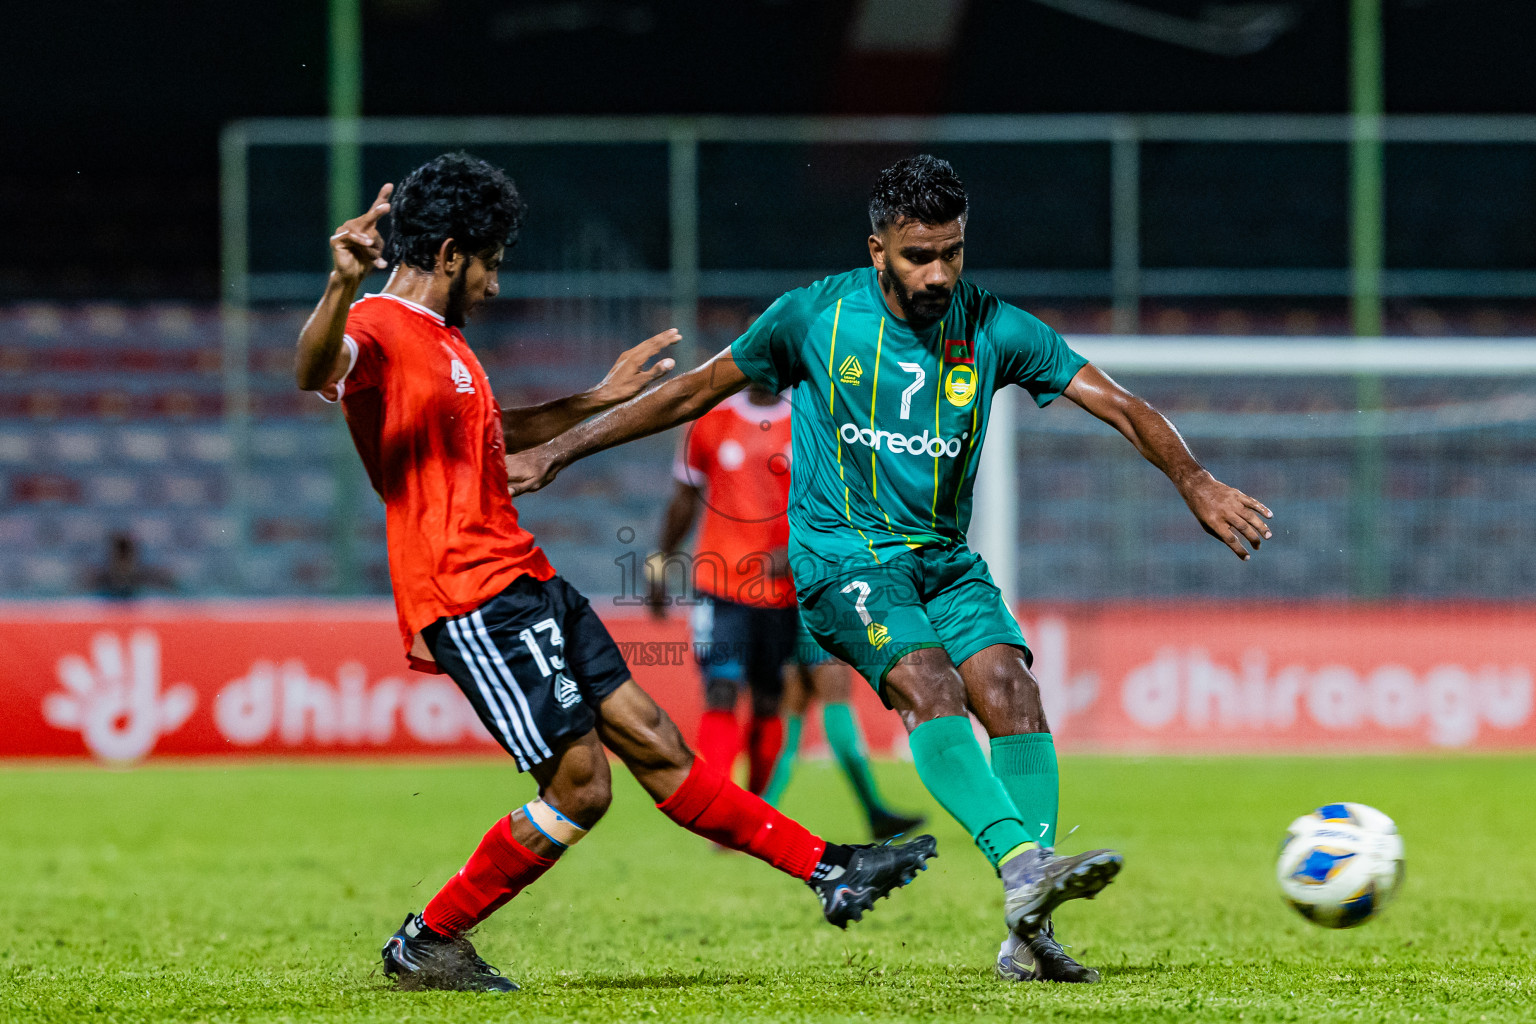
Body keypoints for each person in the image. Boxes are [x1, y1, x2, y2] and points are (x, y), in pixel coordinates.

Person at [507, 155, 1274, 983]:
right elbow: (692, 392)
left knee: (1012, 690)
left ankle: (1030, 931)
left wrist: (1194, 480)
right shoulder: (813, 318)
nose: (939, 272)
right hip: (844, 559)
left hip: (944, 559)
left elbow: (1118, 400)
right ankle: (1022, 867)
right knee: (930, 685)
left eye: (953, 251)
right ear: (878, 249)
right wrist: (558, 448)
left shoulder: (993, 328)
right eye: (919, 255)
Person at [293, 152, 936, 993]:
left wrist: (595, 401)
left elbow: (493, 433)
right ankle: (428, 938)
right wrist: (337, 287)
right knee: (583, 786)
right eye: (490, 264)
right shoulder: (378, 326)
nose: (493, 285)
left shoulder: (444, 347)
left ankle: (830, 869)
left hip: (525, 579)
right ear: (450, 255)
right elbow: (314, 368)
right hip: (469, 595)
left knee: (656, 743)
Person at [651, 383, 923, 838]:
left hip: (806, 586)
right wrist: (660, 562)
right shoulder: (709, 421)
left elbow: (844, 503)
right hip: (726, 583)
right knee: (726, 690)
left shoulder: (816, 421)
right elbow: (684, 497)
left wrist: (803, 550)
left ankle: (773, 809)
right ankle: (723, 813)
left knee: (790, 698)